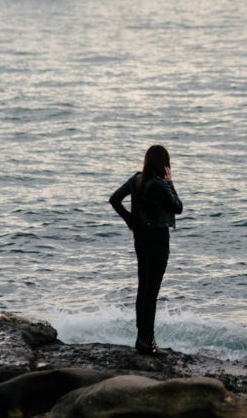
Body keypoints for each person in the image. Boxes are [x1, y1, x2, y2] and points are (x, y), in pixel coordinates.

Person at [109, 145, 183, 355]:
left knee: (143, 288)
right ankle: (147, 341)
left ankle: (142, 339)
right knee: (151, 292)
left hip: (140, 238)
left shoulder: (136, 180)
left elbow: (114, 199)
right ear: (164, 164)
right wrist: (171, 183)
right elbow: (178, 207)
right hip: (158, 240)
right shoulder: (160, 184)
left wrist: (131, 221)